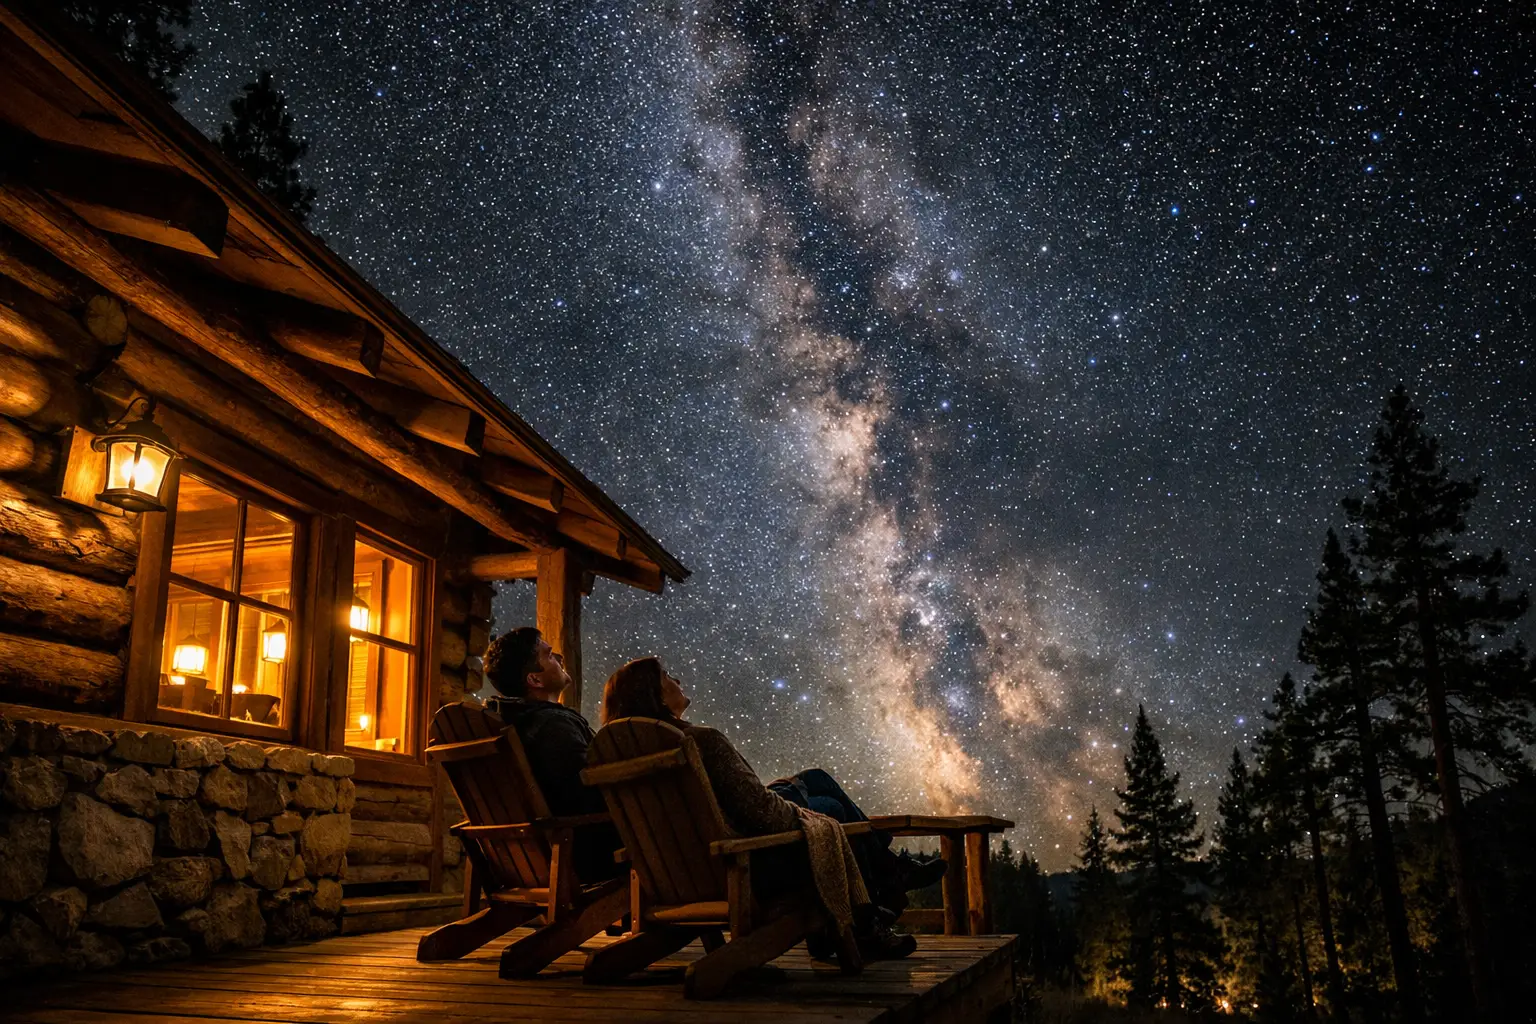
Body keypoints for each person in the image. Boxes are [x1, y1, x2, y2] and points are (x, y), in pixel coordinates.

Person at [600, 656, 946, 960]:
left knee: (815, 780)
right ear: (654, 695)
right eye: (667, 676)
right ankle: (868, 916)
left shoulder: (620, 755)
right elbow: (765, 816)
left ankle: (887, 878)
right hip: (746, 863)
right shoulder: (702, 741)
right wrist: (799, 807)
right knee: (828, 809)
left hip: (677, 870)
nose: (677, 681)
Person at [480, 626, 621, 883]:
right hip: (580, 854)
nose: (560, 659)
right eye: (549, 655)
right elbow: (586, 789)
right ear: (535, 680)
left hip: (520, 858)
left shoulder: (509, 725)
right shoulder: (551, 726)